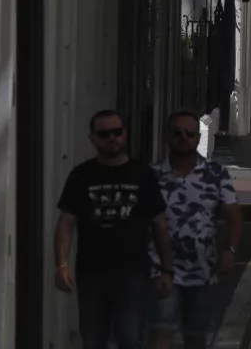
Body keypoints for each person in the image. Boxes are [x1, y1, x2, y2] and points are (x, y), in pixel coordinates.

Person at [55, 111, 174, 349]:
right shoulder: (81, 175)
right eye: (104, 134)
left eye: (117, 132)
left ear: (125, 134)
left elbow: (159, 225)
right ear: (93, 138)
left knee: (129, 337)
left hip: (133, 273)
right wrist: (61, 264)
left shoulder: (143, 175)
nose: (112, 138)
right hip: (91, 273)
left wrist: (167, 270)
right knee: (93, 338)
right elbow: (66, 222)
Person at [148, 113, 242, 349]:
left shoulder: (216, 173)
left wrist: (230, 250)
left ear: (198, 137)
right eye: (177, 133)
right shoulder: (151, 175)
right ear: (168, 137)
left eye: (190, 133)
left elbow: (233, 215)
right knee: (162, 331)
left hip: (202, 269)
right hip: (159, 269)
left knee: (195, 335)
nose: (183, 138)